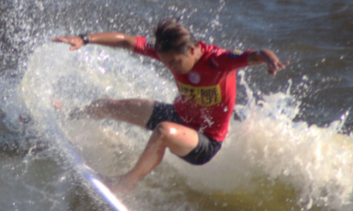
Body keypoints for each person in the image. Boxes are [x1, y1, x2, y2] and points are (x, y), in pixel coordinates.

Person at [52, 18, 287, 194]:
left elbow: (256, 54)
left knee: (163, 131)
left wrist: (269, 59)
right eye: (167, 63)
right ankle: (67, 116)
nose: (172, 67)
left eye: (176, 62)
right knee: (107, 106)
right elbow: (124, 40)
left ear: (193, 50)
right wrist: (83, 39)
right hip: (179, 116)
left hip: (204, 142)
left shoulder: (219, 61)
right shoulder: (170, 54)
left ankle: (126, 183)